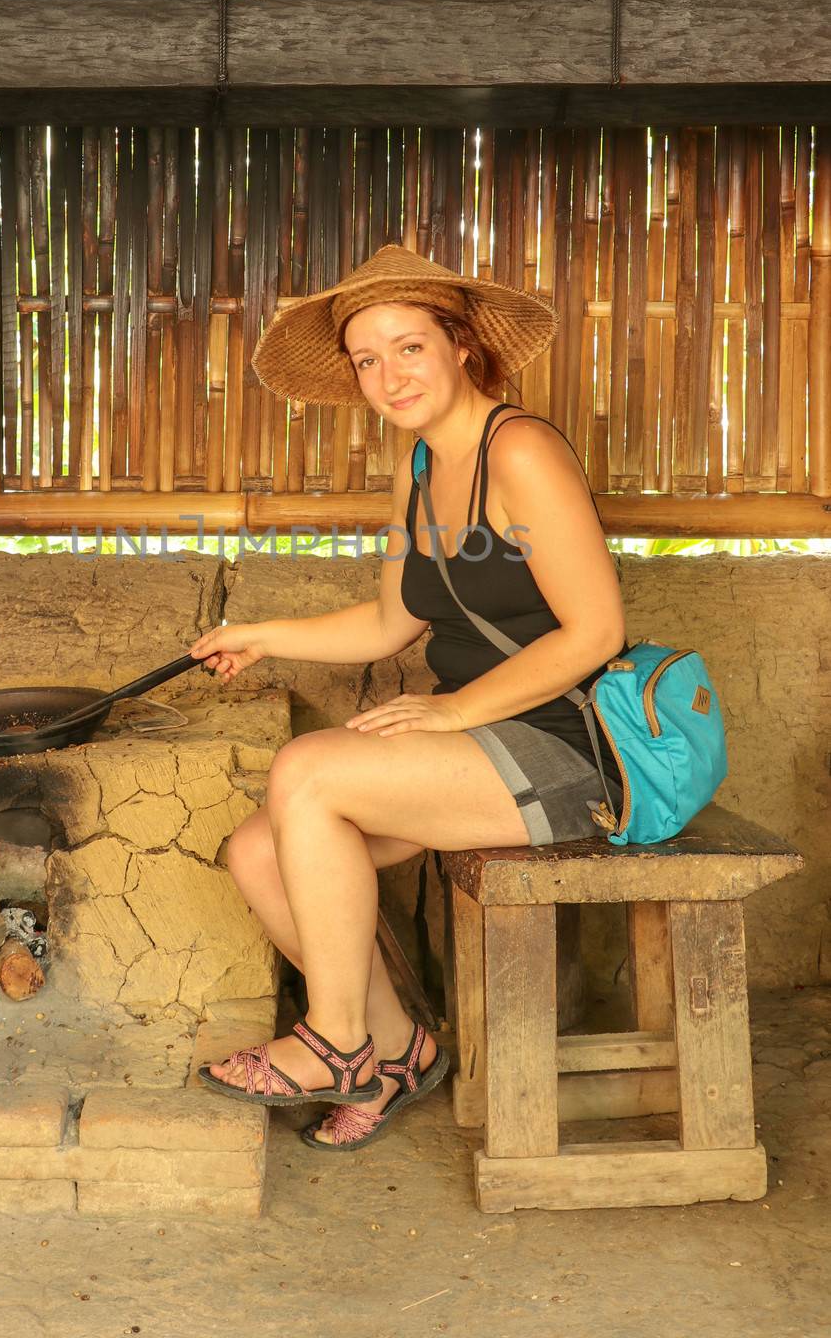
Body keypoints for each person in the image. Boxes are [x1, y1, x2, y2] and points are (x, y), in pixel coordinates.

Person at [189, 244, 628, 1152]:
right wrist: (260, 634)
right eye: (367, 359)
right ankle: (392, 1046)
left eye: (409, 347)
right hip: (479, 750)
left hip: (566, 747)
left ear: (460, 344)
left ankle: (335, 1042)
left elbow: (594, 633)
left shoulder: (524, 452)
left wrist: (454, 711)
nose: (388, 375)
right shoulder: (419, 470)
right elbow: (390, 623)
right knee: (258, 849)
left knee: (307, 771)